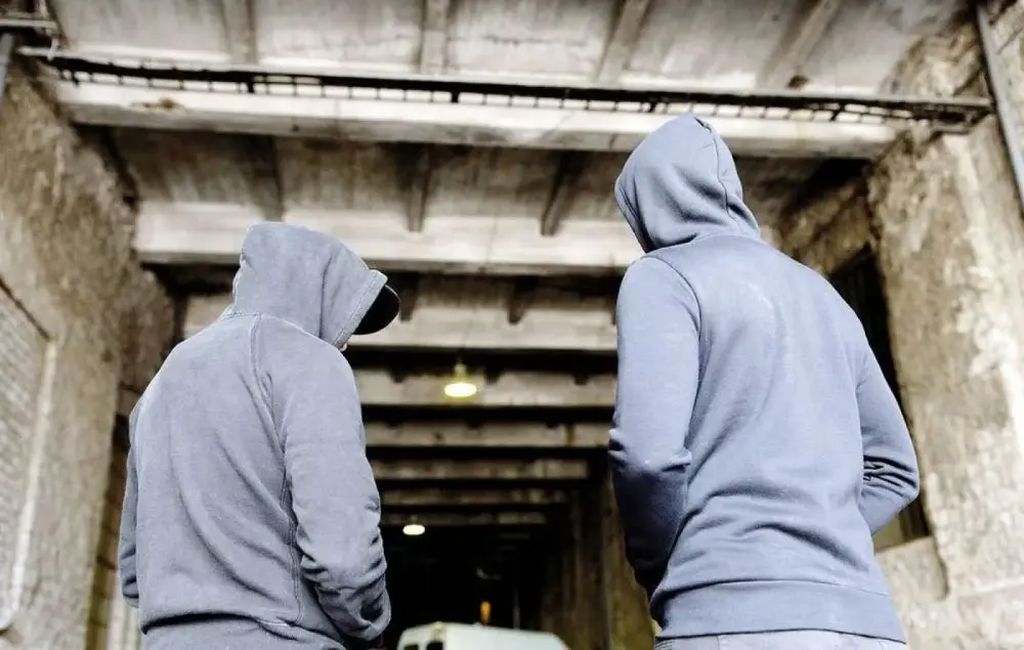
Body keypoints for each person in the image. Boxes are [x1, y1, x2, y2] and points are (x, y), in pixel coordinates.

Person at [609, 115, 919, 650]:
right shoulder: (824, 296)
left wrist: (664, 563)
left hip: (732, 621)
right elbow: (896, 471)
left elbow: (647, 457)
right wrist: (819, 540)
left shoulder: (663, 277)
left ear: (646, 206)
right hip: (867, 627)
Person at [119, 222, 399, 649]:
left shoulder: (161, 384)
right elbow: (343, 556)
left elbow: (133, 570)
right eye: (342, 320)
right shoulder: (310, 361)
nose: (344, 344)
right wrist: (371, 627)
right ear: (316, 295)